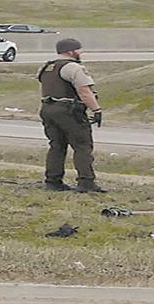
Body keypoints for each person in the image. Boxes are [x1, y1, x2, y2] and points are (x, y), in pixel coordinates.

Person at [38, 38, 105, 193]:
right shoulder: (72, 67)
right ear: (71, 51)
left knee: (57, 146)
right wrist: (96, 109)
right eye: (79, 50)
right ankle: (86, 182)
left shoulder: (47, 67)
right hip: (68, 111)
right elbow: (84, 91)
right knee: (82, 146)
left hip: (47, 109)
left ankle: (53, 181)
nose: (81, 53)